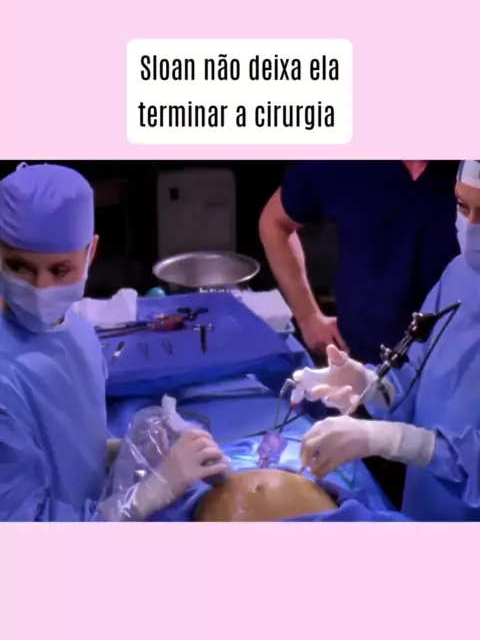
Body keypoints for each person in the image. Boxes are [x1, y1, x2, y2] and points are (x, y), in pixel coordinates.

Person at [0, 162, 226, 521]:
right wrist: (152, 491)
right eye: (18, 266)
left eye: (60, 270)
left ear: (91, 252)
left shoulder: (77, 332)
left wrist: (127, 452)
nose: (40, 287)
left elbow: (66, 449)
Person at [294, 159, 480, 522]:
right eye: (463, 206)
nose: (471, 227)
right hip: (422, 506)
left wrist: (388, 440)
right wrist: (367, 383)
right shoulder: (460, 276)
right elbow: (414, 375)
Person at [259, 160, 459, 363]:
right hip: (362, 357)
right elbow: (275, 223)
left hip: (459, 356)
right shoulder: (340, 160)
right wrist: (308, 317)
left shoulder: (469, 167)